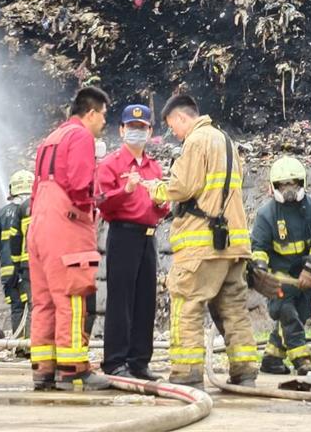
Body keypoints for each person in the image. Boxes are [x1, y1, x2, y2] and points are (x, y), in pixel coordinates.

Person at [139, 93, 259, 389]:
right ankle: (245, 372)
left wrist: (153, 189)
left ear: (182, 117)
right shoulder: (227, 141)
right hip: (233, 244)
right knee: (233, 309)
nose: (174, 133)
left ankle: (187, 374)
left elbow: (182, 187)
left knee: (186, 306)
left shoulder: (196, 141)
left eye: (172, 126)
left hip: (201, 244)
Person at [27, 86, 112, 392]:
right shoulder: (80, 137)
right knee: (73, 298)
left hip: (39, 226)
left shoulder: (50, 139)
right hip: (66, 227)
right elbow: (78, 185)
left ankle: (44, 370)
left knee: (44, 302)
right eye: (103, 115)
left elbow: (38, 188)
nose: (104, 122)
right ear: (90, 113)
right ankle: (73, 368)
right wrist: (99, 197)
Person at [95, 104, 169, 380]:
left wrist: (163, 204)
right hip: (123, 234)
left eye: (142, 128)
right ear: (122, 130)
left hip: (148, 237)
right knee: (121, 299)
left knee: (145, 299)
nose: (136, 132)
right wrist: (125, 191)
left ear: (150, 132)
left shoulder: (154, 167)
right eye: (131, 128)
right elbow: (102, 202)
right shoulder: (111, 164)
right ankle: (115, 361)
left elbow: (162, 207)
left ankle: (140, 361)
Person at [250, 156, 311, 375]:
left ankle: (272, 359)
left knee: (301, 313)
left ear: (302, 183)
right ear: (274, 186)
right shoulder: (266, 215)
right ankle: (302, 361)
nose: (288, 189)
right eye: (283, 184)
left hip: (303, 277)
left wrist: (310, 270)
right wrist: (260, 272)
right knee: (287, 314)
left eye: (293, 183)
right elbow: (259, 247)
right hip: (278, 278)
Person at [0, 169, 34, 335]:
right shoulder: (32, 210)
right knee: (32, 306)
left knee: (17, 307)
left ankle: (19, 346)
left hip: (8, 268)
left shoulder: (2, 213)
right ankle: (30, 345)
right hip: (28, 266)